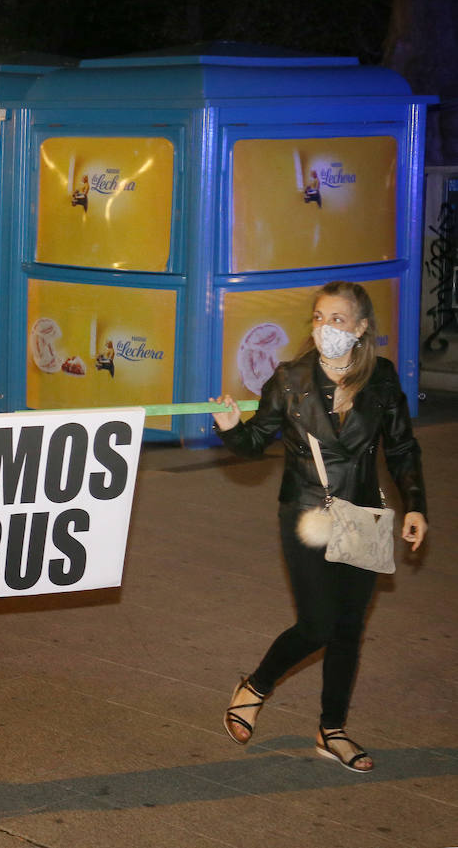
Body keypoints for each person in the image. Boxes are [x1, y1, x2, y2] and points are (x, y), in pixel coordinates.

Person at [213, 281, 427, 774]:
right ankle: (257, 685)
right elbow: (252, 443)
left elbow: (400, 447)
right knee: (318, 624)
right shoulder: (290, 379)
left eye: (337, 319)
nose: (325, 328)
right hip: (308, 512)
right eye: (317, 318)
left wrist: (415, 504)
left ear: (361, 327)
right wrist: (230, 426)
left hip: (363, 514)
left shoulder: (382, 379)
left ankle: (332, 730)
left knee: (349, 627)